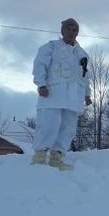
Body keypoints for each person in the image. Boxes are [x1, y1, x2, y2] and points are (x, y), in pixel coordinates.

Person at [31, 18, 92, 170]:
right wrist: (41, 84)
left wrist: (87, 94)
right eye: (68, 29)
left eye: (74, 30)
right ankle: (39, 157)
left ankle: (56, 157)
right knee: (48, 125)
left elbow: (85, 75)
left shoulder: (82, 53)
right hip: (53, 95)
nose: (71, 32)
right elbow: (40, 66)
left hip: (74, 98)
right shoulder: (51, 47)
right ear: (62, 31)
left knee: (68, 128)